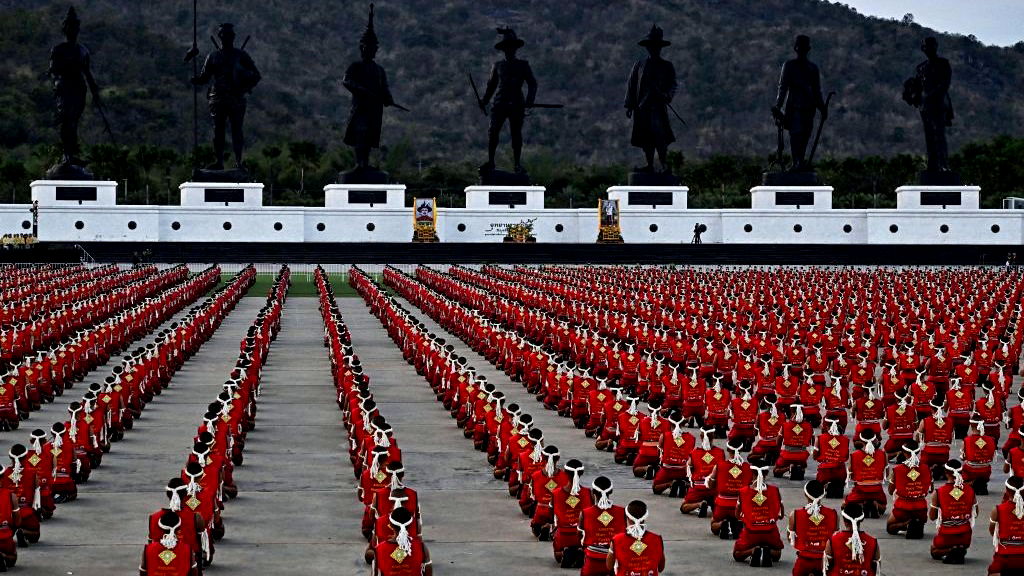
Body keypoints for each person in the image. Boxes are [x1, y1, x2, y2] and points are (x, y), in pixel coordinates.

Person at [191, 23, 261, 171]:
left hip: (236, 98)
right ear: (219, 37)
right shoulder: (213, 56)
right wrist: (195, 78)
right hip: (217, 98)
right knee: (218, 130)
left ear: (233, 37)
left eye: (229, 35)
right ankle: (219, 162)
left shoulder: (241, 55)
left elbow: (256, 75)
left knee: (237, 130)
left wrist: (244, 87)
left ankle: (238, 161)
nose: (226, 38)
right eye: (223, 35)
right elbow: (204, 77)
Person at [343, 4, 396, 171]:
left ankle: (366, 163)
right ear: (361, 48)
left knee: (370, 136)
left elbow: (385, 88)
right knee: (360, 132)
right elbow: (346, 81)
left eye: (373, 49)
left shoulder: (379, 70)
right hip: (360, 108)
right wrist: (362, 90)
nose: (370, 51)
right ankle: (359, 164)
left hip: (374, 108)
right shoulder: (355, 66)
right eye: (367, 48)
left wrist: (388, 98)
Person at [48, 7, 102, 169]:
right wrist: (57, 83)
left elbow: (87, 72)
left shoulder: (83, 50)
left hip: (79, 88)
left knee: (74, 122)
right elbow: (52, 71)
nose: (73, 30)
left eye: (75, 27)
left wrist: (95, 91)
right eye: (70, 27)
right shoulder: (58, 49)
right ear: (65, 29)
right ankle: (67, 155)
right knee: (67, 121)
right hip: (65, 87)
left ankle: (71, 154)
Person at [479, 28, 537, 175]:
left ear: (516, 48)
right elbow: (491, 86)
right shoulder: (498, 66)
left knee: (516, 134)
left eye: (512, 47)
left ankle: (517, 164)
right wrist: (484, 100)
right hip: (499, 103)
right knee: (493, 132)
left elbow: (532, 83)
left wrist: (529, 101)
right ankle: (491, 162)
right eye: (507, 47)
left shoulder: (523, 65)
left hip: (517, 103)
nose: (509, 50)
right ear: (503, 49)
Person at [624, 25, 677, 174]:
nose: (653, 49)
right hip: (642, 108)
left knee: (660, 136)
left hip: (658, 107)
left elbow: (673, 84)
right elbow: (632, 84)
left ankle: (664, 164)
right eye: (651, 46)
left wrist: (666, 95)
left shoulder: (667, 66)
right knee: (646, 137)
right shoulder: (639, 65)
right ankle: (649, 165)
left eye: (656, 46)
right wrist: (629, 105)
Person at [772, 35, 827, 171]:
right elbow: (782, 87)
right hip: (794, 106)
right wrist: (778, 106)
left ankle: (800, 162)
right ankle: (796, 161)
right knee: (796, 134)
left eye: (804, 48)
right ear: (796, 48)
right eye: (799, 47)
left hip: (809, 107)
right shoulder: (789, 66)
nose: (801, 50)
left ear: (808, 49)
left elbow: (817, 91)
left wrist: (822, 108)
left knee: (805, 135)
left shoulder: (813, 68)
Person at [903, 37, 953, 174]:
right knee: (929, 136)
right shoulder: (921, 67)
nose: (927, 49)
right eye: (925, 46)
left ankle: (943, 164)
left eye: (930, 46)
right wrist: (911, 94)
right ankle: (932, 165)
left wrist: (931, 95)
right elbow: (918, 86)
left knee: (939, 135)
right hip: (925, 107)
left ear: (935, 47)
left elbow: (945, 83)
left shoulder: (943, 63)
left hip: (938, 104)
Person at [734, 466, 785, 567]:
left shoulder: (743, 491)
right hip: (770, 532)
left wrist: (747, 518)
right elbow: (781, 515)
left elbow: (737, 515)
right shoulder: (775, 490)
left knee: (737, 554)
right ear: (766, 473)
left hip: (751, 532)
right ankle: (767, 551)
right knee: (777, 554)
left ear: (752, 473)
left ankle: (752, 551)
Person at [929, 460, 976, 564]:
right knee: (961, 542)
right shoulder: (970, 490)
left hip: (947, 535)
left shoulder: (938, 492)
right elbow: (975, 513)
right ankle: (959, 549)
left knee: (934, 551)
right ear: (961, 472)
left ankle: (952, 550)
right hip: (965, 536)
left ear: (946, 472)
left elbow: (932, 517)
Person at [788, 480, 837, 576]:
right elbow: (834, 541)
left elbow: (791, 539)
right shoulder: (834, 514)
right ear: (823, 494)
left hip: (803, 561)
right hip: (824, 562)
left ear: (805, 494)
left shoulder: (795, 514)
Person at [579, 476, 625, 576]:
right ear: (611, 491)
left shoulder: (585, 513)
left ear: (593, 492)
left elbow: (579, 536)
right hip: (615, 561)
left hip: (593, 561)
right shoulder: (622, 512)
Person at [606, 500, 665, 576]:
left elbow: (609, 566)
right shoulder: (657, 539)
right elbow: (661, 568)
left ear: (627, 517)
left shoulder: (616, 540)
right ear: (645, 517)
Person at [823, 503, 880, 576]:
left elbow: (825, 567)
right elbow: (877, 569)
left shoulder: (833, 540)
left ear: (844, 521)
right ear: (862, 519)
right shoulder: (873, 541)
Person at [372, 507, 432, 576]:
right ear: (410, 525)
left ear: (390, 525)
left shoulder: (379, 549)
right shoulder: (422, 547)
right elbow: (428, 573)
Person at [139, 511, 199, 576]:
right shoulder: (188, 550)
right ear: (178, 528)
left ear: (160, 528)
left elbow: (143, 573)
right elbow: (194, 573)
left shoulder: (147, 550)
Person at [988, 476, 1024, 576]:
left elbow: (992, 531)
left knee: (992, 572)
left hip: (1005, 555)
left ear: (1007, 491)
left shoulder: (998, 509)